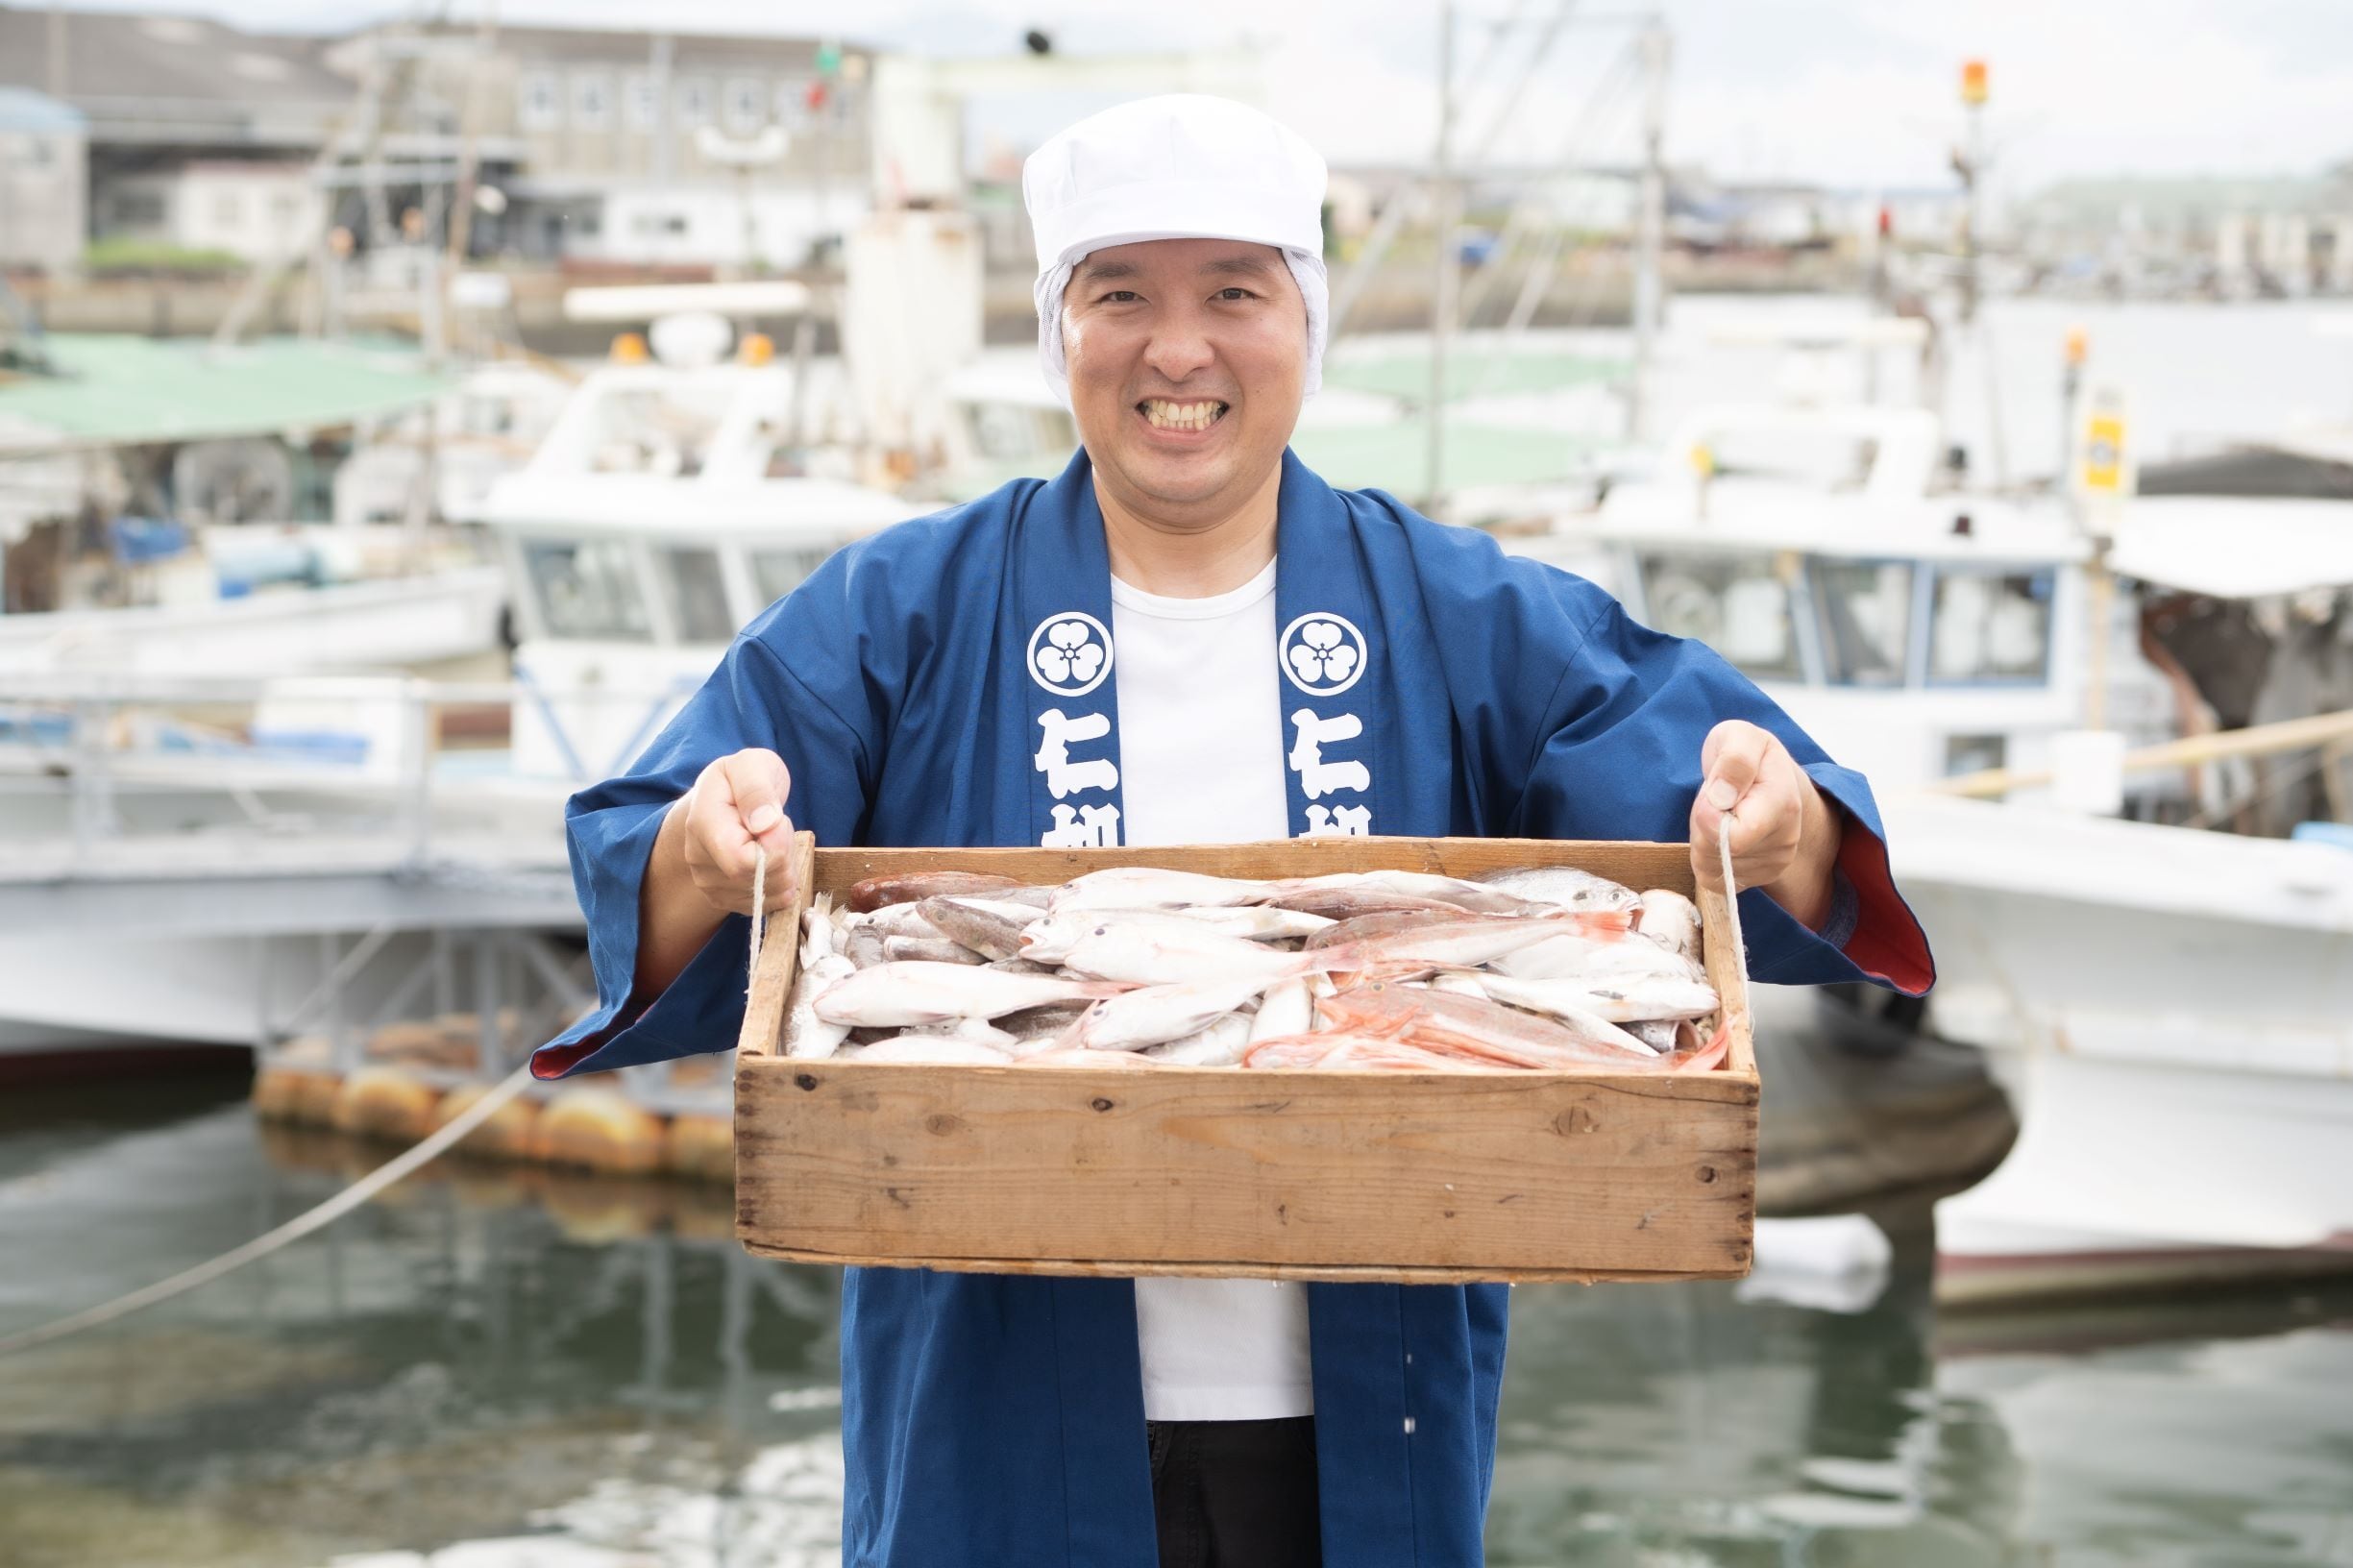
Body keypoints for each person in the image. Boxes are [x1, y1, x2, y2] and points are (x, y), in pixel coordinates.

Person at [534, 94, 1934, 1568]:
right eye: (1120, 294)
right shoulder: (903, 611)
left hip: (1360, 1425)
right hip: (994, 1408)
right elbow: (656, 838)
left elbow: (1733, 813)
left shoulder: (1460, 613)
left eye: (1234, 294)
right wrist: (703, 852)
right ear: (1057, 329)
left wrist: (1781, 834)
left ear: (1307, 327)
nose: (1178, 348)